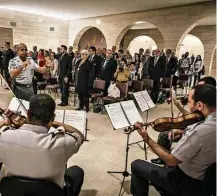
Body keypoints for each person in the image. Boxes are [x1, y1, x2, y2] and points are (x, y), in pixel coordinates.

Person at [131, 84, 216, 196]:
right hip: (208, 182)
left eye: (189, 102)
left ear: (200, 105)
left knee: (137, 165)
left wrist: (146, 138)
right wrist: (183, 134)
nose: (188, 106)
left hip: (186, 184)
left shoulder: (199, 131)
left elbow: (172, 160)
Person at [0, 94, 84, 196]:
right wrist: (54, 123)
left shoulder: (4, 137)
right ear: (52, 117)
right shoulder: (61, 143)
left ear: (28, 114)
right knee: (77, 171)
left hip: (14, 192)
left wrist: (4, 123)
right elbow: (79, 136)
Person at [151, 76, 216, 165]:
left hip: (189, 172)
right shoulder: (209, 111)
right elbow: (191, 118)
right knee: (165, 135)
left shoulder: (201, 128)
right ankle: (162, 159)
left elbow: (172, 161)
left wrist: (146, 138)